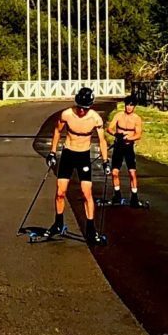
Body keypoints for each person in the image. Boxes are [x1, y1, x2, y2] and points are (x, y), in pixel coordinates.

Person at [38, 87, 108, 244]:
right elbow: (57, 131)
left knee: (86, 193)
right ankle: (58, 223)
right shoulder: (67, 114)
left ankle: (91, 230)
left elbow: (102, 140)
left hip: (83, 156)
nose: (82, 111)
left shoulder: (95, 119)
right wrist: (52, 152)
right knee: (60, 192)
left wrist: (105, 161)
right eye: (80, 107)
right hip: (68, 154)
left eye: (85, 108)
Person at [106, 99, 144, 207]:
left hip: (128, 147)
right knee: (114, 172)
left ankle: (134, 196)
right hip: (118, 146)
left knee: (132, 173)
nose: (129, 107)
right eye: (127, 105)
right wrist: (116, 134)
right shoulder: (119, 116)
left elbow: (138, 134)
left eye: (131, 105)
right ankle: (117, 195)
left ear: (134, 107)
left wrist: (129, 138)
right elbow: (109, 128)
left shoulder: (137, 119)